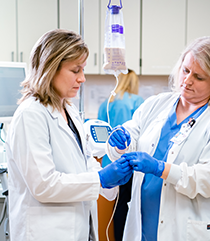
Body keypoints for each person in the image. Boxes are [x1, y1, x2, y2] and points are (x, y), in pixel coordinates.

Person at [106, 36, 210, 241]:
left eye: (198, 77)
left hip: (188, 230)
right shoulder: (157, 104)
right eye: (186, 70)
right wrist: (121, 142)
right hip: (144, 225)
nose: (187, 81)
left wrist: (160, 168)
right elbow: (133, 133)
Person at [5, 29, 133, 241]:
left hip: (77, 229)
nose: (82, 78)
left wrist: (109, 178)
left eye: (82, 70)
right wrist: (100, 179)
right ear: (50, 69)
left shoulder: (69, 110)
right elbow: (44, 185)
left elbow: (85, 160)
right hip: (44, 233)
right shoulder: (30, 115)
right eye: (75, 70)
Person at [98, 69, 144, 241]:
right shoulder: (138, 102)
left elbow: (101, 135)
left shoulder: (107, 103)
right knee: (128, 206)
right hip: (129, 163)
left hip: (108, 163)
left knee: (116, 207)